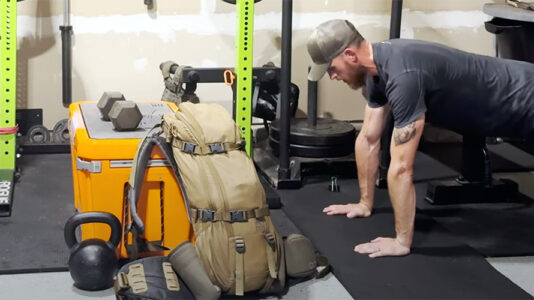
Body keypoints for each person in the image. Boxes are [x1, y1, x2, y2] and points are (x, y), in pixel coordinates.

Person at [306, 19, 534, 258]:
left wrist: (401, 242)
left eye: (331, 68)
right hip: (508, 107)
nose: (332, 76)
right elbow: (368, 139)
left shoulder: (404, 76)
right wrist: (364, 203)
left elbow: (402, 169)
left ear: (350, 55)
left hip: (525, 100)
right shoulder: (376, 72)